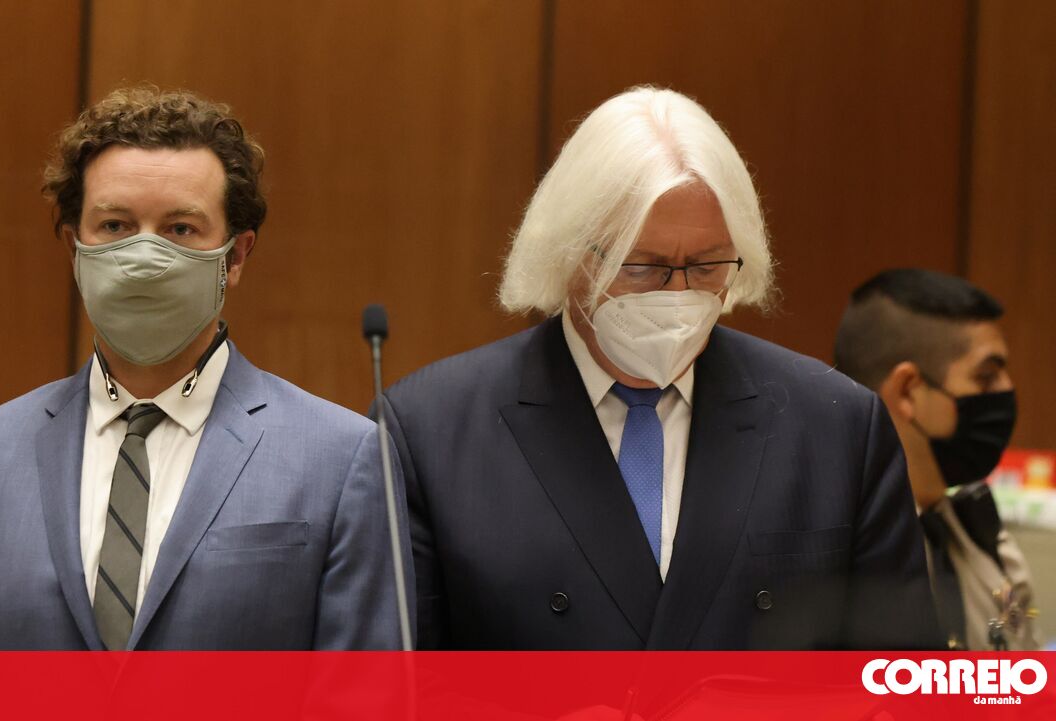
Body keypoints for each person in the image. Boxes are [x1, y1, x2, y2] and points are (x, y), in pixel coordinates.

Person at [378, 86, 940, 649]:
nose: (678, 295)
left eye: (706, 266)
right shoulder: (431, 431)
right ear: (568, 253)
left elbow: (900, 676)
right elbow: (399, 677)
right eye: (642, 267)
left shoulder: (837, 427)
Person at [0, 87, 411, 650]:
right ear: (74, 248)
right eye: (115, 226)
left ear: (236, 255)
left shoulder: (341, 459)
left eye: (180, 229)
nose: (143, 258)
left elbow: (364, 686)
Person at [835, 268, 1040, 650]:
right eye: (986, 377)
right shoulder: (832, 558)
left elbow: (1023, 669)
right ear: (908, 392)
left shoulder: (990, 547)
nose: (1007, 390)